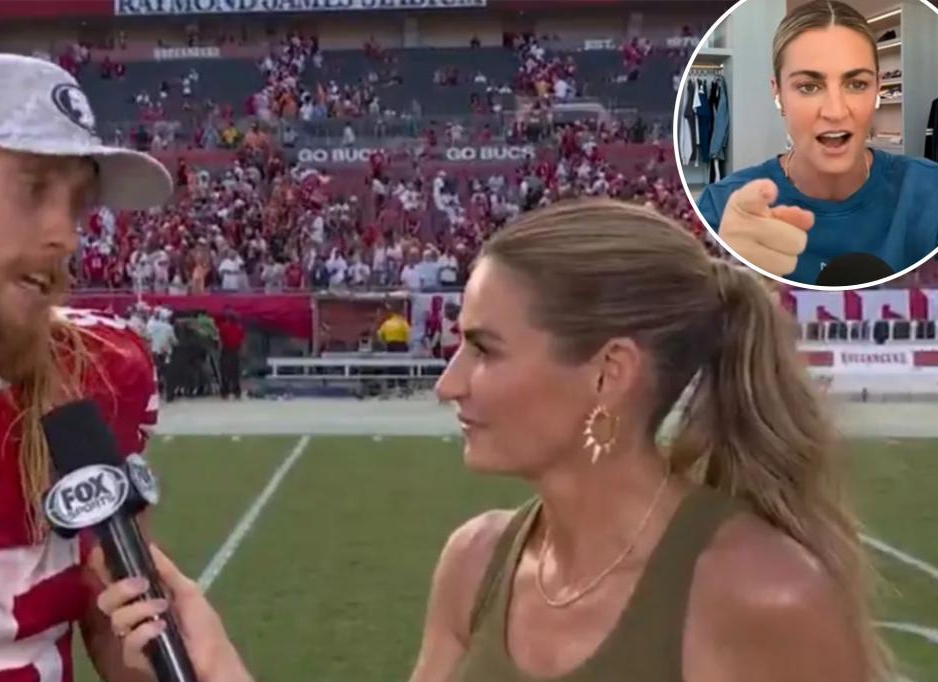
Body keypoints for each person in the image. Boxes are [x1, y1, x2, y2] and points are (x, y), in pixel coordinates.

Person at [93, 198, 892, 682]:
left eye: (486, 349)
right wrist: (214, 660)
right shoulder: (475, 564)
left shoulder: (762, 594)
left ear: (609, 373)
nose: (449, 383)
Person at [0, 53, 172, 678]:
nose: (66, 236)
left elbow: (119, 631)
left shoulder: (100, 373)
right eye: (33, 188)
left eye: (76, 205)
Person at [697, 0, 938, 285]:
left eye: (856, 84)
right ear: (778, 95)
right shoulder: (722, 210)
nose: (835, 112)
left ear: (877, 88)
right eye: (809, 87)